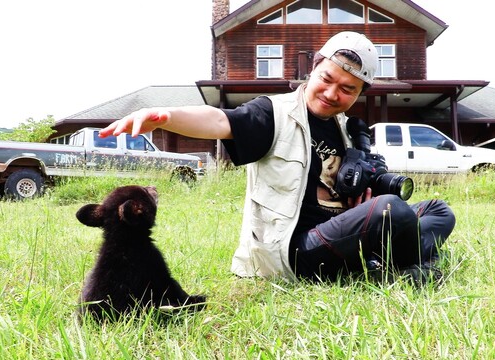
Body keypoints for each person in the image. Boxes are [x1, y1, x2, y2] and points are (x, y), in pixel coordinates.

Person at [99, 31, 456, 284]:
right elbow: (222, 121)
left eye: (347, 89)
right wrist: (168, 117)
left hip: (342, 227)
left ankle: (383, 252)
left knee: (438, 210)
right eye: (326, 79)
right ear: (313, 69)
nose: (332, 93)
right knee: (392, 210)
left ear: (360, 92)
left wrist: (363, 196)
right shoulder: (274, 113)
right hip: (297, 248)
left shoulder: (347, 129)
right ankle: (412, 266)